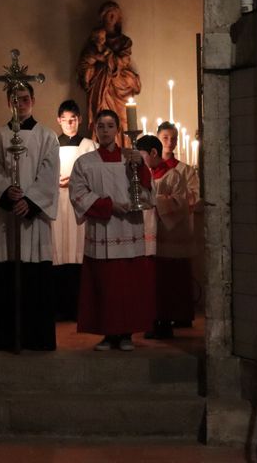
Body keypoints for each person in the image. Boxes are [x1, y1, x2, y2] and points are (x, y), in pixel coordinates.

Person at [0, 83, 61, 351]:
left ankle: (36, 338)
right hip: (7, 217)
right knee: (5, 278)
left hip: (33, 219)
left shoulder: (47, 136)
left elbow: (50, 173)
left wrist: (31, 201)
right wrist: (6, 193)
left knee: (34, 277)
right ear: (8, 103)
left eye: (25, 99)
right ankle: (4, 337)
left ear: (33, 100)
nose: (21, 104)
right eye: (15, 100)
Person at [70, 109, 155, 351]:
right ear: (94, 130)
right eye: (100, 126)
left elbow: (147, 192)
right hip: (103, 231)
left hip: (128, 231)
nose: (105, 131)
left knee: (128, 286)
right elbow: (78, 195)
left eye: (109, 126)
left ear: (117, 129)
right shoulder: (85, 163)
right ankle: (108, 334)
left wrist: (140, 168)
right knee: (105, 285)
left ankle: (126, 334)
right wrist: (109, 205)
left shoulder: (131, 158)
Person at [137, 134, 192, 338]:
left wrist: (154, 201)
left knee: (167, 284)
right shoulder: (143, 175)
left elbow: (180, 202)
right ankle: (151, 320)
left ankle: (165, 323)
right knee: (151, 283)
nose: (140, 162)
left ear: (153, 153)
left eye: (142, 156)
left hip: (167, 239)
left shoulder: (173, 175)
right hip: (148, 235)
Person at [52, 100, 97, 320]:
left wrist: (76, 181)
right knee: (58, 253)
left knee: (78, 252)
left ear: (79, 120)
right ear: (58, 120)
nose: (69, 124)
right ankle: (60, 307)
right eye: (65, 120)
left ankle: (80, 307)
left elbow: (96, 175)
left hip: (79, 206)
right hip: (57, 207)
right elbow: (41, 173)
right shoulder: (51, 145)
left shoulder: (89, 145)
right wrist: (54, 180)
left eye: (74, 119)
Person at [76, 1, 142, 145]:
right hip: (100, 87)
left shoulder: (124, 42)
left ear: (118, 18)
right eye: (108, 14)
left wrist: (104, 55)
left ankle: (123, 149)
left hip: (119, 85)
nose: (111, 17)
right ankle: (102, 149)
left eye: (114, 14)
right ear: (102, 17)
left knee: (123, 120)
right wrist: (94, 59)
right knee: (102, 117)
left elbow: (122, 61)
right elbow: (85, 63)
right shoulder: (92, 42)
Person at [156, 121, 200, 329]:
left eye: (173, 138)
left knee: (180, 275)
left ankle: (182, 315)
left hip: (179, 228)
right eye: (165, 137)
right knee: (162, 276)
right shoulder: (151, 168)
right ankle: (163, 315)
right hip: (158, 228)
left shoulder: (185, 169)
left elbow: (193, 197)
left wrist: (168, 199)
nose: (170, 142)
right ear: (157, 138)